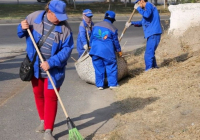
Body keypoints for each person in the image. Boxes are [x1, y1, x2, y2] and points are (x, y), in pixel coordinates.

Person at [17, 0, 74, 140]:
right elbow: (21, 33)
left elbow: (67, 50)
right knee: (38, 93)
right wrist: (21, 27)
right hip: (34, 67)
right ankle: (43, 121)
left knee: (51, 98)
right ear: (50, 12)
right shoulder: (33, 18)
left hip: (53, 70)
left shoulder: (65, 29)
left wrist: (51, 62)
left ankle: (49, 130)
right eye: (58, 16)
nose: (60, 19)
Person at [125, 0, 162, 71]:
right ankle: (154, 68)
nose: (138, 4)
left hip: (153, 33)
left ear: (142, 1)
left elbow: (147, 15)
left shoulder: (148, 5)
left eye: (138, 3)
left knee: (148, 54)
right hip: (152, 33)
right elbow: (143, 22)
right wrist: (131, 23)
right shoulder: (147, 8)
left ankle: (149, 70)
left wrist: (138, 8)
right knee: (150, 52)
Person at [89, 10, 122, 90]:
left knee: (98, 68)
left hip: (95, 51)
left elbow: (91, 38)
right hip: (107, 52)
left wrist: (90, 46)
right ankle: (112, 84)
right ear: (112, 20)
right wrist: (119, 50)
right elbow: (115, 42)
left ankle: (100, 85)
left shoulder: (96, 26)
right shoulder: (113, 28)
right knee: (111, 66)